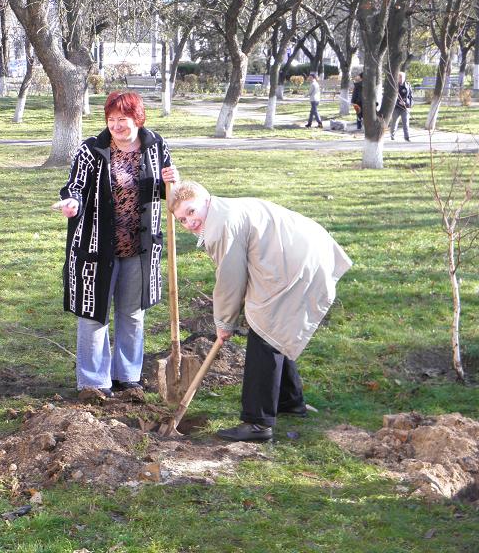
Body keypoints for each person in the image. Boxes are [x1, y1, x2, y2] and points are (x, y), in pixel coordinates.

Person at [169, 181, 352, 442]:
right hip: (300, 253)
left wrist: (224, 323)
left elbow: (230, 279)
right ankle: (289, 402)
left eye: (191, 211)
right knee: (274, 328)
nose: (189, 222)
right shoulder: (222, 212)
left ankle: (257, 422)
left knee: (265, 332)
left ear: (206, 200)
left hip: (295, 263)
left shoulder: (220, 226)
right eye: (182, 220)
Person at [53, 91, 179, 398]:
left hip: (140, 248)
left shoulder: (155, 145)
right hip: (95, 249)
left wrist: (173, 180)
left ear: (137, 118)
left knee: (132, 314)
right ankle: (93, 382)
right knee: (93, 314)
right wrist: (72, 203)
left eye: (122, 119)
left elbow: (167, 191)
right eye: (111, 119)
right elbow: (74, 186)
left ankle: (128, 376)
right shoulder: (91, 149)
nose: (116, 125)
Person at [390, 71, 413, 142]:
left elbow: (410, 97)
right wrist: (398, 102)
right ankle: (392, 135)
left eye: (402, 77)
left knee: (405, 123)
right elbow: (391, 97)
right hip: (396, 107)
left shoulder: (408, 85)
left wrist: (406, 103)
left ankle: (407, 137)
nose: (401, 79)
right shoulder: (394, 86)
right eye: (400, 77)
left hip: (405, 108)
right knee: (394, 122)